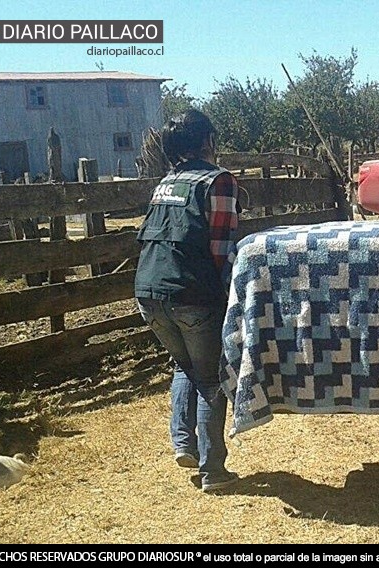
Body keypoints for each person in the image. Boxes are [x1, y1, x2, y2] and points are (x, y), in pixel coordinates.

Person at [134, 109, 239, 493]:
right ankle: (214, 470)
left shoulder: (165, 183)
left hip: (148, 291)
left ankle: (185, 444)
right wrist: (231, 294)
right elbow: (221, 247)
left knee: (185, 364)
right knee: (211, 377)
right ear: (208, 140)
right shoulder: (218, 180)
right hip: (192, 293)